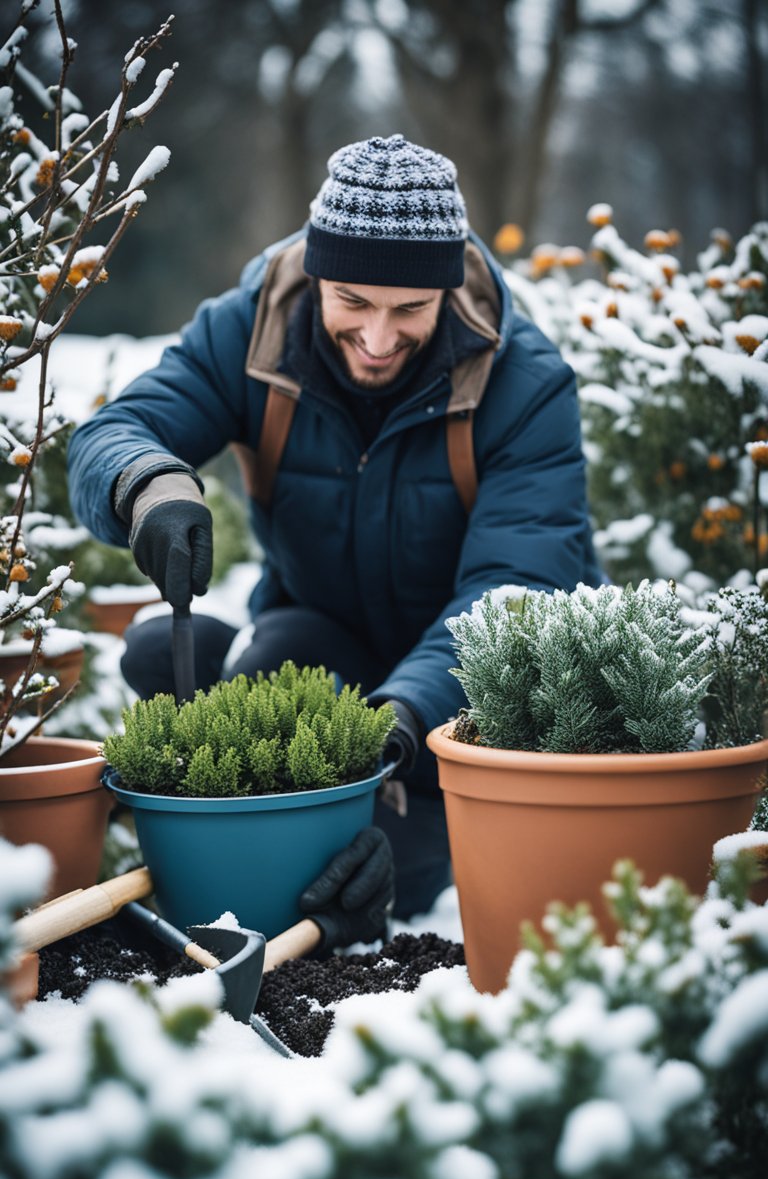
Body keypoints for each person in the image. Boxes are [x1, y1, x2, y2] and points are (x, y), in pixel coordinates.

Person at [68, 133, 602, 928]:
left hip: (466, 712)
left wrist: (398, 722)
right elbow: (119, 429)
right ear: (317, 276)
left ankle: (394, 825)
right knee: (240, 662)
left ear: (447, 293)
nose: (379, 339)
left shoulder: (521, 381)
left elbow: (516, 591)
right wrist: (148, 485)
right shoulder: (250, 332)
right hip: (325, 640)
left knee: (367, 876)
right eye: (353, 300)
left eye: (410, 309)